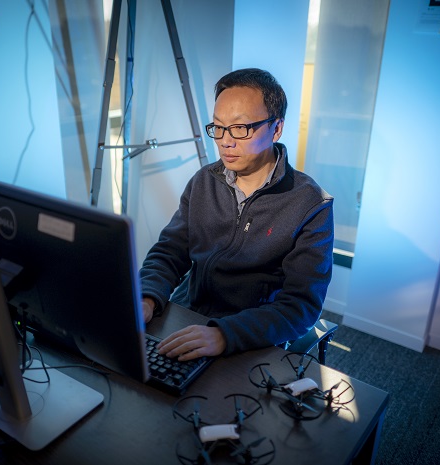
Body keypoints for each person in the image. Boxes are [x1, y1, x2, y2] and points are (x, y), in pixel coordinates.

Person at [139, 68, 334, 362]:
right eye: (218, 127)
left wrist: (224, 334)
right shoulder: (204, 180)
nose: (225, 141)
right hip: (189, 313)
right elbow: (170, 250)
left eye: (240, 128)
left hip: (252, 334)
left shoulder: (310, 205)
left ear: (276, 128)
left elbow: (300, 306)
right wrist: (148, 296)